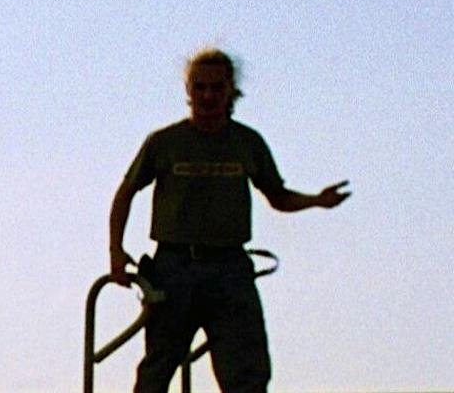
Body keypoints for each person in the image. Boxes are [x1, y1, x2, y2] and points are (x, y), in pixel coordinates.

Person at [108, 48, 350, 393]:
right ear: (188, 91)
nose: (208, 96)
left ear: (230, 91)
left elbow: (277, 196)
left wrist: (316, 201)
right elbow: (125, 192)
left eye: (216, 88)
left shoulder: (247, 143)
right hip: (175, 267)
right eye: (200, 87)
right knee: (157, 370)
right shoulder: (165, 143)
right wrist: (115, 252)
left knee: (247, 375)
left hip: (230, 270)